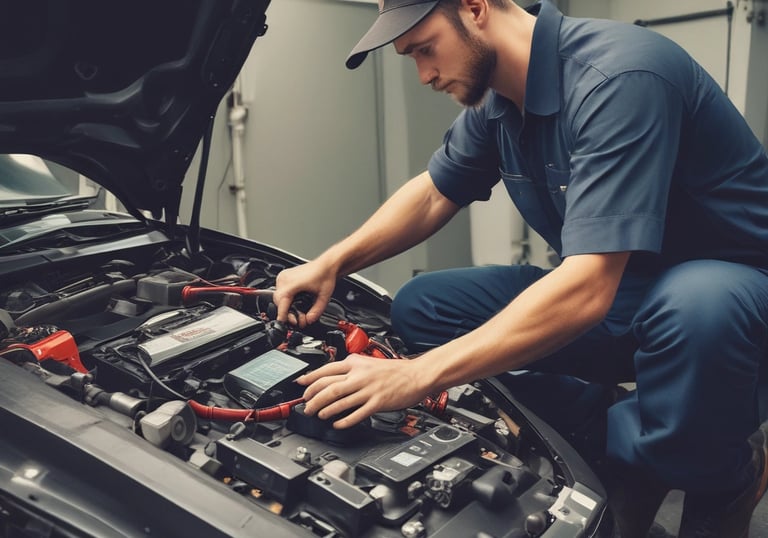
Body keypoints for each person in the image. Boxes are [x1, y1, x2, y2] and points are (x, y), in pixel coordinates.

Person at [273, 0, 768, 535]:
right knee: (424, 306)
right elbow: (435, 194)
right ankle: (609, 434)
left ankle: (724, 477)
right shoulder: (500, 103)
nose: (423, 75)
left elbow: (585, 290)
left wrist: (417, 375)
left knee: (694, 306)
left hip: (731, 296)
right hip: (628, 289)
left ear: (475, 7)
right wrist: (331, 262)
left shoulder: (619, 77)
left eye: (425, 49)